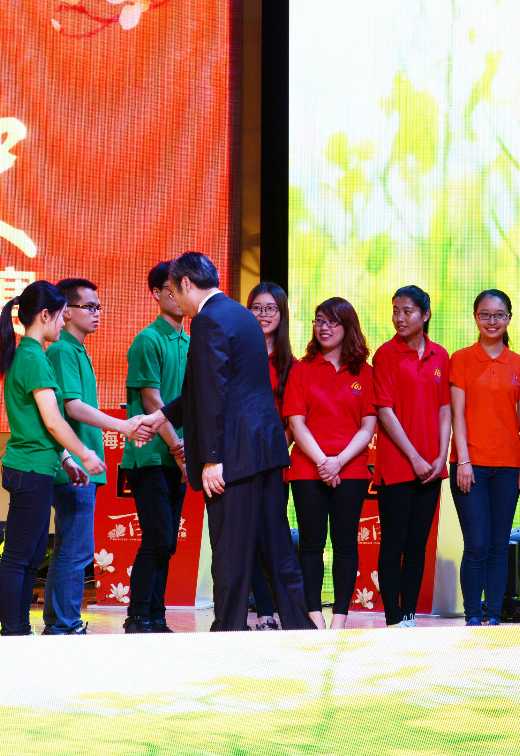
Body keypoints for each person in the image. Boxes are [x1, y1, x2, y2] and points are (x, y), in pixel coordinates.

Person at [132, 252, 313, 631]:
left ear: (185, 284)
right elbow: (207, 386)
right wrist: (161, 417)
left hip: (233, 456)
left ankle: (228, 632)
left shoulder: (208, 320)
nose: (175, 300)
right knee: (278, 548)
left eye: (173, 290)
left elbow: (214, 391)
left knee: (231, 551)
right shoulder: (241, 315)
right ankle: (301, 629)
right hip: (265, 451)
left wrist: (212, 459)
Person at [0, 280, 120, 636]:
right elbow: (53, 420)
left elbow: (42, 421)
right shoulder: (34, 357)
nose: (64, 323)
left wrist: (66, 458)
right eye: (63, 315)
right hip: (30, 468)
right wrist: (85, 453)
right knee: (19, 557)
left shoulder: (30, 354)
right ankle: (15, 631)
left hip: (36, 467)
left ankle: (20, 629)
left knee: (30, 557)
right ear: (45, 315)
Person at [40, 277, 143, 636]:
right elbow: (73, 406)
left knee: (69, 548)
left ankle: (59, 623)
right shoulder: (63, 351)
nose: (97, 313)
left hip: (79, 466)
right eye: (89, 307)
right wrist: (124, 425)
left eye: (99, 307)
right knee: (76, 550)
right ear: (65, 312)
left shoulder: (76, 350)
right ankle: (65, 624)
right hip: (74, 468)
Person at [283, 296, 378, 629]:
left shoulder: (364, 372)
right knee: (310, 544)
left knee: (345, 543)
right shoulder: (302, 369)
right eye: (319, 320)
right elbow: (296, 423)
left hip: (350, 469)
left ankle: (339, 618)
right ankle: (313, 616)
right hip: (307, 468)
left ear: (348, 327)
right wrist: (324, 461)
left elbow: (368, 426)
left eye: (332, 321)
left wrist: (338, 462)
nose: (324, 327)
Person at [448, 289, 520, 626]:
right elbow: (457, 414)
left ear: (509, 319)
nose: (492, 321)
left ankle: (493, 615)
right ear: (475, 318)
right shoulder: (461, 359)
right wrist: (463, 460)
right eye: (485, 314)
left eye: (499, 315)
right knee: (477, 543)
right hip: (470, 466)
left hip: (509, 467)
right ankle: (472, 615)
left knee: (499, 545)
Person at [371, 285, 451, 628]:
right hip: (397, 465)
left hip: (432, 467)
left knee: (417, 546)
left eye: (407, 311)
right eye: (395, 311)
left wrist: (440, 456)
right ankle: (393, 619)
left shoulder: (440, 356)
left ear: (425, 315)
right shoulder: (385, 355)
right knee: (393, 544)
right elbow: (385, 411)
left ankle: (409, 617)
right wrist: (415, 457)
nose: (399, 318)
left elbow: (445, 409)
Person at [121, 263, 191, 634]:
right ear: (156, 294)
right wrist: (177, 447)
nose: (177, 295)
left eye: (182, 287)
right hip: (149, 455)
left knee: (167, 543)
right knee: (159, 537)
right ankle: (137, 616)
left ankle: (156, 617)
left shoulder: (191, 343)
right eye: (170, 288)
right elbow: (152, 400)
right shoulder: (148, 340)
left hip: (178, 458)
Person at [246, 281, 296, 629]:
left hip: (275, 462)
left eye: (270, 309)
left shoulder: (291, 364)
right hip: (241, 462)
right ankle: (263, 612)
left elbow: (294, 419)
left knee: (273, 536)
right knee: (246, 537)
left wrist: (277, 450)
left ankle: (284, 609)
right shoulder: (238, 357)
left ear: (282, 314)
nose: (263, 315)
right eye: (256, 308)